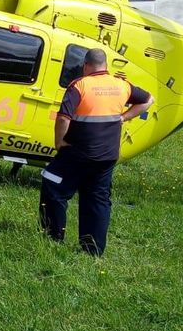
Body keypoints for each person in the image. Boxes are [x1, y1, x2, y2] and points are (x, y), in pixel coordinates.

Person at [39, 48, 153, 256]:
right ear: (106, 66)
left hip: (77, 152)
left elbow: (64, 117)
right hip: (107, 155)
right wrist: (124, 117)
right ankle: (93, 249)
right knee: (97, 199)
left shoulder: (80, 85)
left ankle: (53, 236)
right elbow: (148, 100)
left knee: (53, 185)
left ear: (85, 65)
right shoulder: (121, 85)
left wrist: (59, 142)